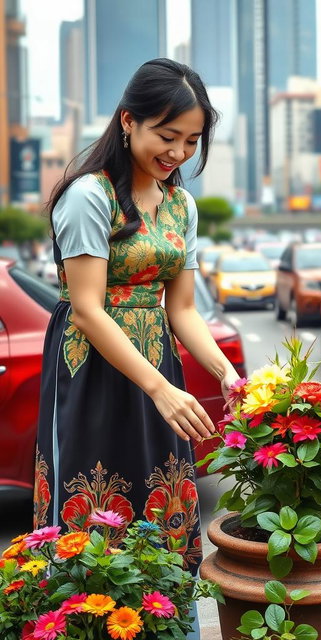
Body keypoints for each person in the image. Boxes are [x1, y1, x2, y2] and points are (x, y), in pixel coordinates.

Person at [35, 59, 239, 594]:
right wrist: (160, 388)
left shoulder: (182, 205)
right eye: (167, 136)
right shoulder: (89, 195)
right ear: (129, 122)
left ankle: (165, 615)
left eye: (192, 141)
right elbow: (86, 308)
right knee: (92, 506)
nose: (178, 153)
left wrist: (224, 373)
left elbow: (183, 310)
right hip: (93, 369)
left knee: (161, 497)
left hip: (158, 369)